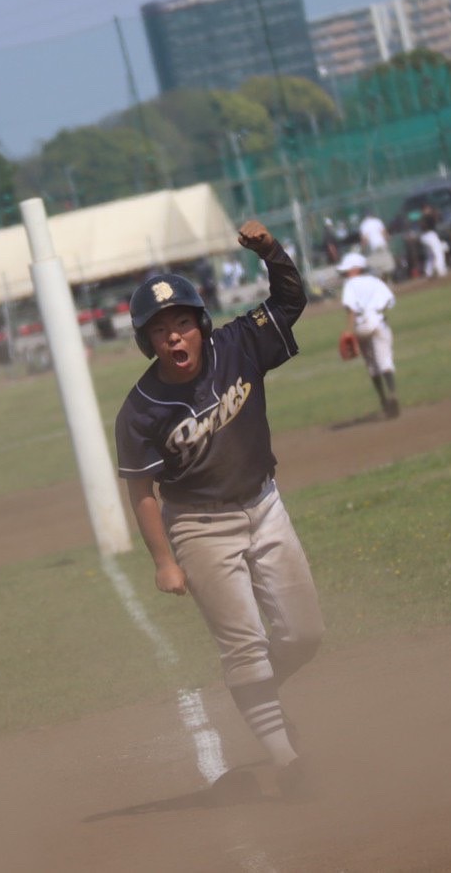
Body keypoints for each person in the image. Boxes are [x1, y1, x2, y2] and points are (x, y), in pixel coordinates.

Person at [114, 220, 322, 800]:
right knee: (244, 645)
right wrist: (164, 561)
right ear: (147, 343)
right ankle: (285, 758)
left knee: (304, 634)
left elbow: (290, 300)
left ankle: (258, 695)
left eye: (182, 323)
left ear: (201, 324)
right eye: (160, 331)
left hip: (263, 502)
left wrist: (269, 251)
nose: (175, 338)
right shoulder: (141, 409)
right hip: (199, 526)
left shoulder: (238, 344)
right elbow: (141, 491)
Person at [337, 251, 400, 419]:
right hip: (378, 321)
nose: (345, 274)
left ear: (356, 269)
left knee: (372, 366)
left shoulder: (350, 284)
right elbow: (389, 301)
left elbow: (351, 309)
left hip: (361, 325)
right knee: (385, 362)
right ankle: (392, 393)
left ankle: (383, 400)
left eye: (347, 270)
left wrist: (348, 331)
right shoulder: (375, 281)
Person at [358, 211, 397, 281]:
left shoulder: (363, 224)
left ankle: (383, 279)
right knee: (387, 263)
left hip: (374, 247)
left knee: (377, 265)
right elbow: (384, 233)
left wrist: (362, 248)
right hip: (382, 244)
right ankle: (389, 279)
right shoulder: (377, 221)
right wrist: (388, 240)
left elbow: (365, 239)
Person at [419, 203, 449, 279]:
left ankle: (428, 272)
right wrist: (435, 213)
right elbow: (436, 219)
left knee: (430, 256)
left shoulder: (423, 217)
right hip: (430, 235)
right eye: (427, 209)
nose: (428, 210)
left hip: (424, 237)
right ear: (424, 210)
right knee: (438, 252)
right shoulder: (428, 216)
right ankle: (440, 270)